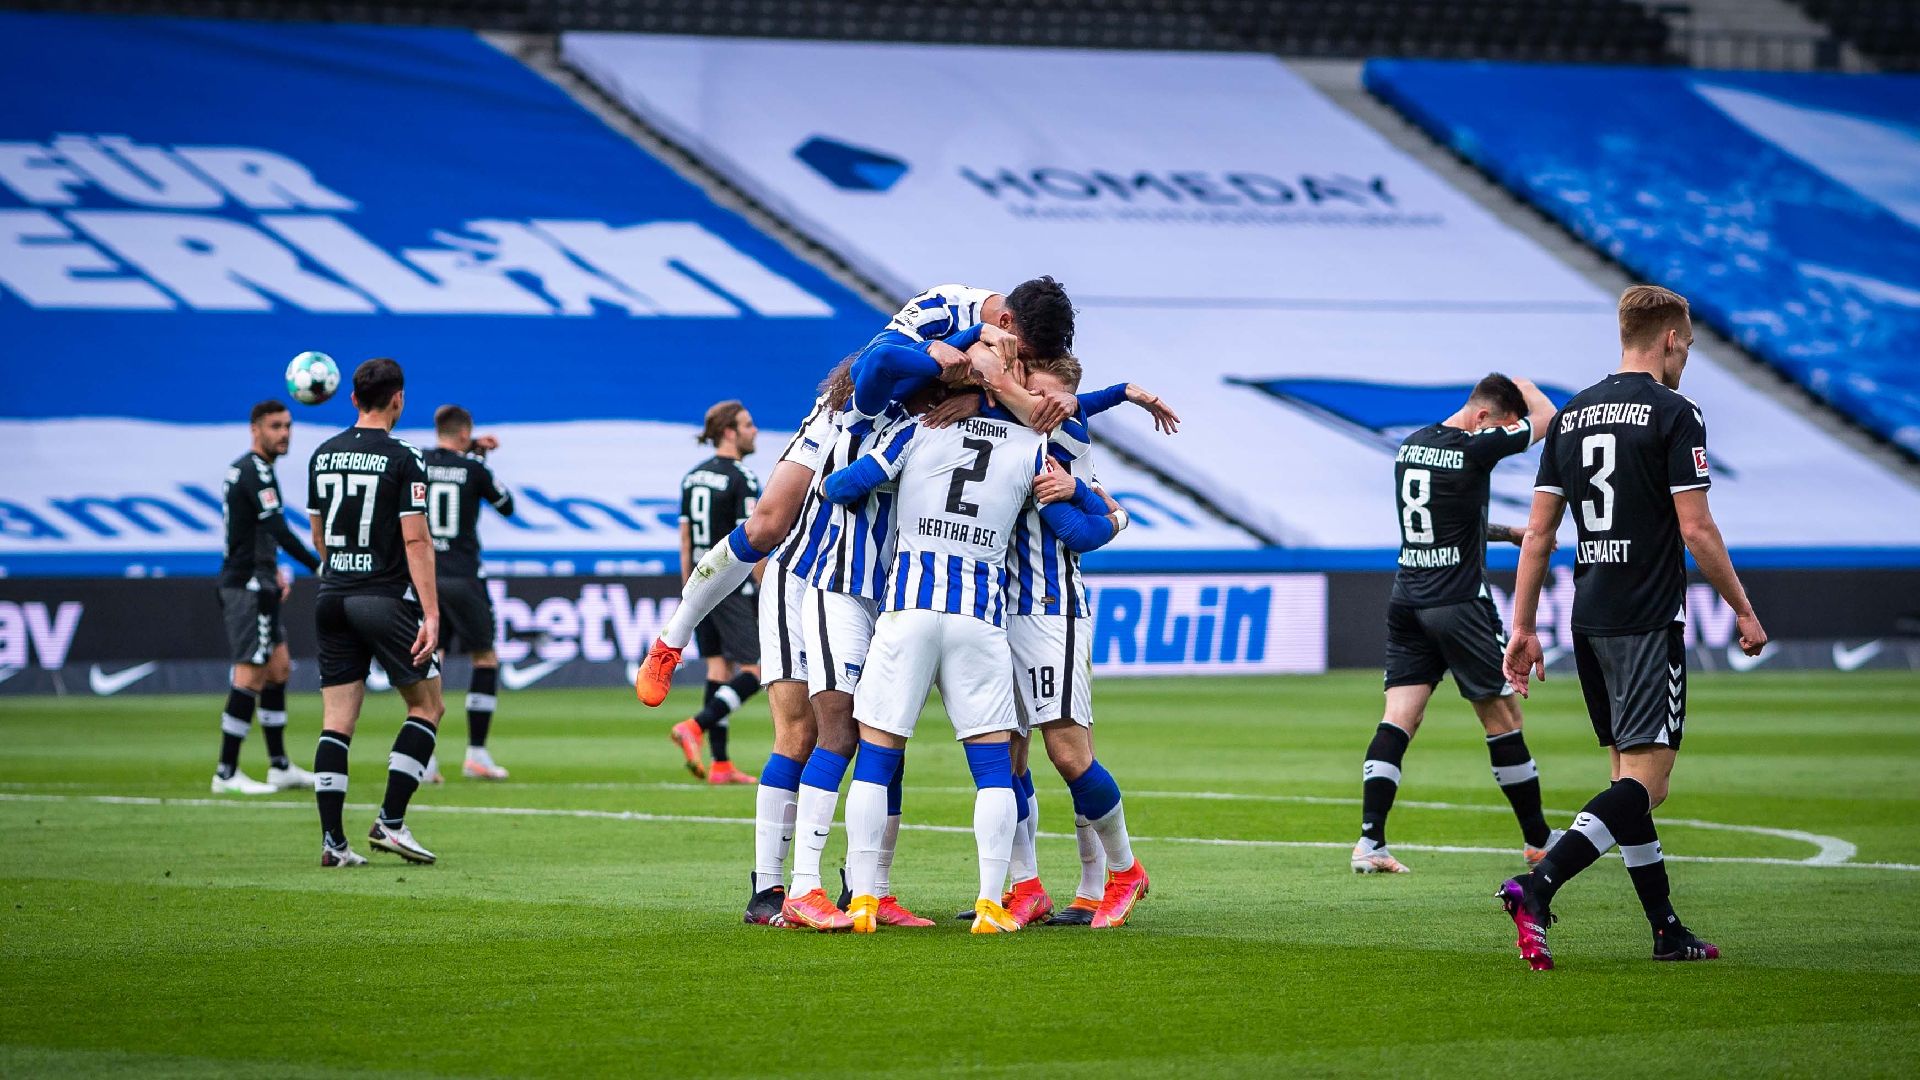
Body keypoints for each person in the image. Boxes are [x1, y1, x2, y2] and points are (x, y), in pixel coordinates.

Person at [632, 279, 1081, 707]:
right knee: (768, 524)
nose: (1019, 366)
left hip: (920, 436)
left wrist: (985, 398)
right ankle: (673, 638)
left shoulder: (1019, 342)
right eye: (1019, 354)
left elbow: (1034, 403)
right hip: (852, 415)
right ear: (1003, 324)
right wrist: (952, 348)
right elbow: (876, 363)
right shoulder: (943, 305)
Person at [1499, 286, 1767, 969]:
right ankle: (1539, 885)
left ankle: (1665, 930)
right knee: (1647, 784)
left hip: (1588, 617)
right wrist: (1740, 606)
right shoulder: (1677, 413)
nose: (1688, 359)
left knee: (1627, 780)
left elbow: (1537, 535)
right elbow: (1696, 528)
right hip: (1648, 618)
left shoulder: (1572, 416)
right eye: (1689, 347)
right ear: (1672, 338)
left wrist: (1523, 627)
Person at [825, 385, 1118, 934]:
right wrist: (1106, 507)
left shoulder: (916, 431)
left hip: (909, 610)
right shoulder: (1033, 444)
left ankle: (863, 898)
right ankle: (990, 904)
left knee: (876, 757)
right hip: (979, 618)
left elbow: (840, 488)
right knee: (993, 770)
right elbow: (1080, 529)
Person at [1352, 373, 1560, 874]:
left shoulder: (1410, 446)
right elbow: (1548, 420)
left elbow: (1443, 517)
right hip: (1459, 602)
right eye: (1501, 425)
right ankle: (1537, 841)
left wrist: (1508, 532)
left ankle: (1369, 842)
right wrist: (1523, 382)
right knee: (1503, 719)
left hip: (1408, 600)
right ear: (1485, 417)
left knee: (1399, 717)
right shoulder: (1476, 446)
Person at [993, 356, 1161, 929]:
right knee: (1006, 754)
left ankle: (1123, 871)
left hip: (1049, 611)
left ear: (1062, 400)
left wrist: (1096, 502)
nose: (1033, 401)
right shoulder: (1003, 425)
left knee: (1067, 753)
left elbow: (1083, 530)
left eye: (1045, 394)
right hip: (991, 616)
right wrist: (1128, 392)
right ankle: (1028, 887)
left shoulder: (1059, 439)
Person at [305, 358, 446, 868]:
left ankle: (332, 843)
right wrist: (430, 612)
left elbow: (318, 536)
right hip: (381, 599)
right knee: (427, 706)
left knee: (336, 722)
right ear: (398, 399)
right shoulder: (404, 456)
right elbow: (416, 538)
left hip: (331, 595)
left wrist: (338, 569)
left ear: (352, 399)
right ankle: (390, 821)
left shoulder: (321, 455)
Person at [212, 400, 321, 795]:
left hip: (260, 579)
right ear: (255, 429)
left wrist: (271, 568)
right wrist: (317, 564)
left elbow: (252, 531)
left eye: (288, 426)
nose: (284, 433)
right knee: (250, 673)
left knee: (279, 670)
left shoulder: (250, 469)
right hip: (247, 586)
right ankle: (226, 772)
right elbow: (276, 526)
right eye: (276, 426)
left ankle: (279, 766)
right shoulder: (254, 470)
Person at [668, 400, 765, 786]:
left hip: (698, 582)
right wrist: (766, 585)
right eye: (747, 424)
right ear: (729, 432)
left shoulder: (692, 478)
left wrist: (689, 593)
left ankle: (721, 764)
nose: (753, 430)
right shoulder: (743, 477)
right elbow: (753, 539)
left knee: (717, 670)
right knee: (756, 671)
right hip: (731, 583)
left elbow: (686, 537)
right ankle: (695, 726)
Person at [421, 404, 516, 782]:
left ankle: (424, 759)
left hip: (426, 577)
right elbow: (506, 505)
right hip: (463, 577)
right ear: (464, 434)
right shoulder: (474, 468)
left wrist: (471, 448)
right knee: (485, 658)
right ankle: (476, 754)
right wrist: (478, 458)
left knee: (432, 659)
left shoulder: (419, 462)